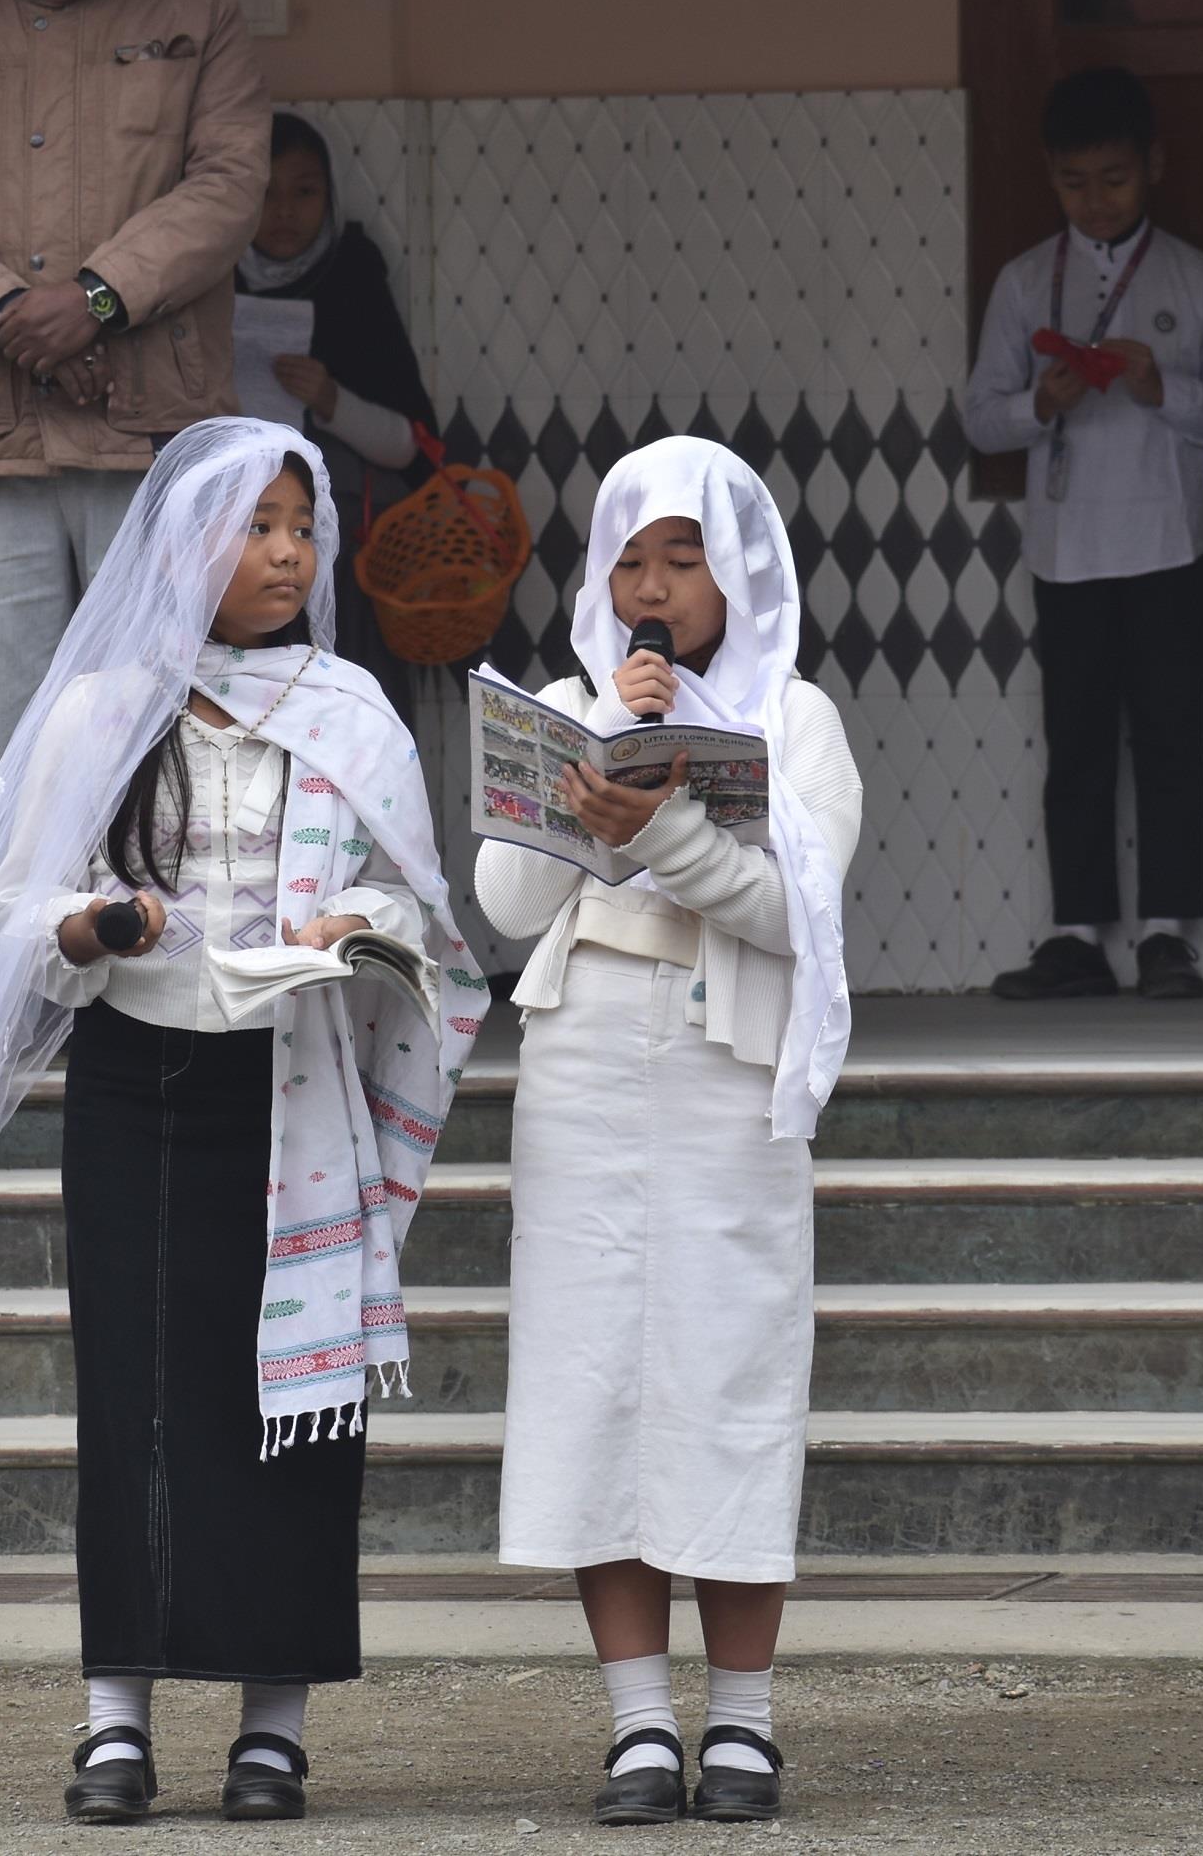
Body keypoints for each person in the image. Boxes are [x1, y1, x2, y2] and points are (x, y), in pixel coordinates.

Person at [0, 419, 493, 1826]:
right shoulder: (101, 711)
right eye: (255, 526)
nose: (286, 553)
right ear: (178, 546)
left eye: (301, 525)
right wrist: (91, 925)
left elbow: (426, 914)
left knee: (294, 1409)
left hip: (294, 1093)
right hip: (138, 1089)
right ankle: (116, 1720)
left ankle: (274, 1727)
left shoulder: (355, 711)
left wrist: (366, 922)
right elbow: (5, 913)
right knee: (139, 1406)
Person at [474, 439, 862, 1827]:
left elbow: (791, 912)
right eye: (630, 557)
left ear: (739, 569)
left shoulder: (795, 716)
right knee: (596, 1384)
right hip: (580, 1067)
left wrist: (668, 827)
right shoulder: (568, 701)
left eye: (682, 557)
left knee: (730, 1374)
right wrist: (592, 777)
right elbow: (511, 900)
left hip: (726, 1072)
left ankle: (744, 1724)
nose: (653, 585)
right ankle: (639, 1721)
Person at [0, 0, 269, 811]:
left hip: (152, 441)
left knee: (172, 747)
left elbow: (229, 188)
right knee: (10, 773)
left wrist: (99, 301)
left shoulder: (200, 17)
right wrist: (16, 317)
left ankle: (168, 948)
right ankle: (29, 951)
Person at [965, 67, 1203, 1003]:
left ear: (1155, 167)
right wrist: (1036, 406)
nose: (1096, 201)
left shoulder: (1193, 278)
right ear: (1051, 176)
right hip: (1067, 548)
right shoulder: (1022, 281)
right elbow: (980, 419)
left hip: (1169, 541)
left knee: (1169, 735)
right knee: (1078, 741)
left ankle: (1169, 934)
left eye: (1116, 179)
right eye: (1076, 182)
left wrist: (1158, 385)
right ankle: (1075, 933)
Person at [245, 111, 442, 701]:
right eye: (262, 192)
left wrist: (329, 399)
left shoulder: (351, 277)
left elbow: (413, 446)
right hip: (240, 566)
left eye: (303, 191)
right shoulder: (206, 281)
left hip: (345, 561)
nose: (283, 211)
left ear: (330, 196)